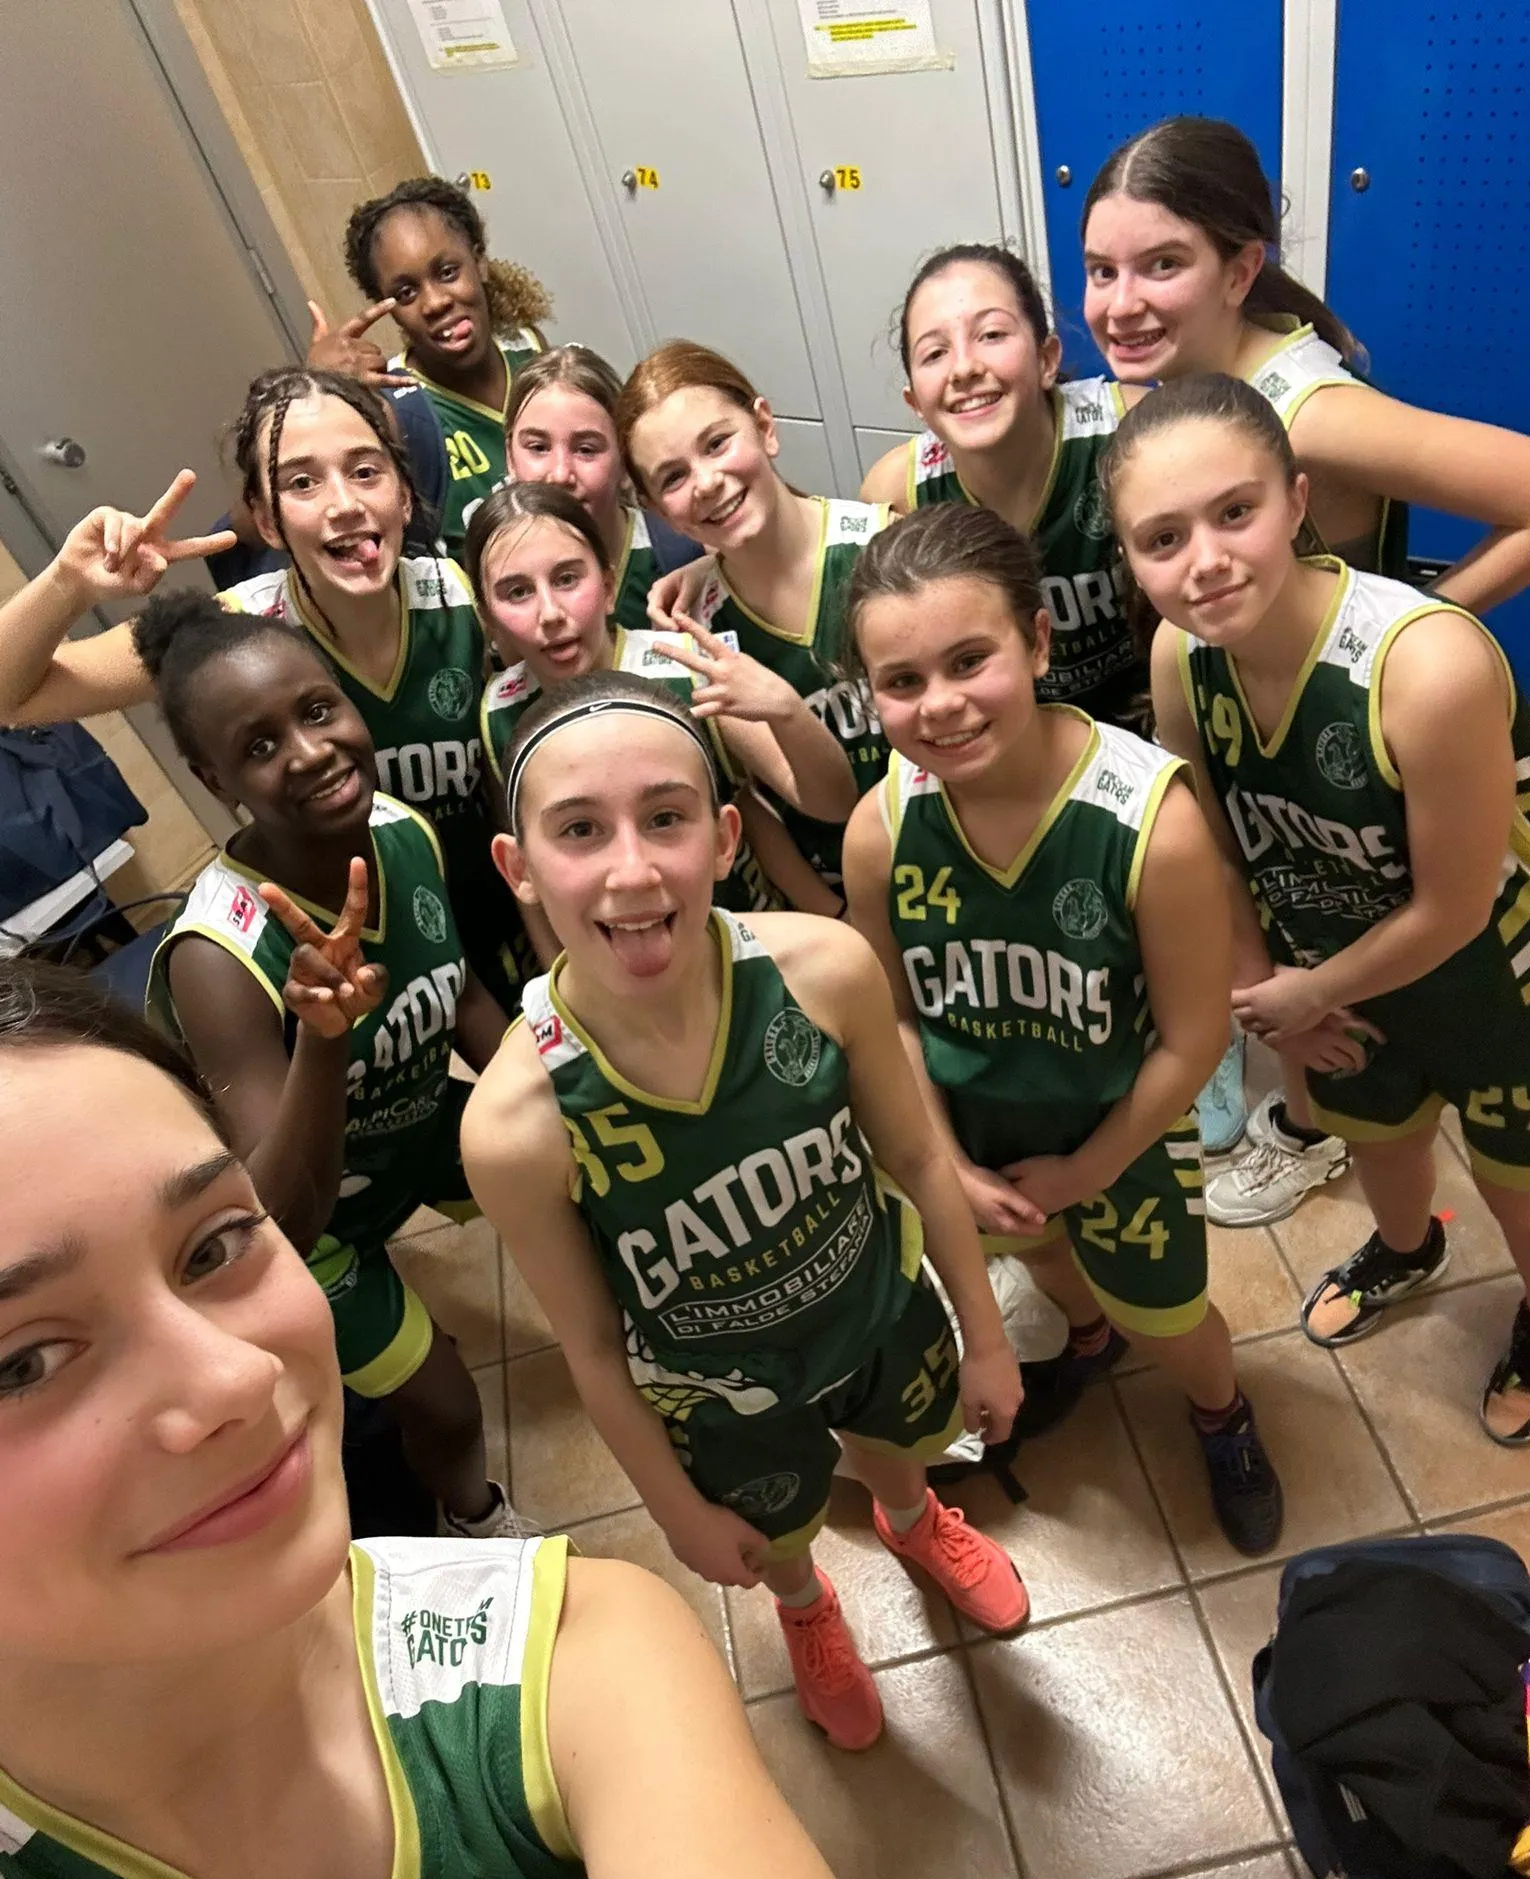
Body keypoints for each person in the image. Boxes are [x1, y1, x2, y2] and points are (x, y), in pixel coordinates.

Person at [0, 957, 918, 1879]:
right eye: (21, 1363)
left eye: (215, 1245)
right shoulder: (219, 958)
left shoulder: (578, 1651)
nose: (235, 1377)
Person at [462, 673, 1030, 1754]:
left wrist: (989, 1334)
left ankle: (915, 1520)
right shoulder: (513, 1125)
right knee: (776, 1532)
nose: (633, 869)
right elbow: (591, 1345)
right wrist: (674, 1509)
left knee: (898, 1443)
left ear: (725, 838)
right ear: (518, 867)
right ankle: (808, 1607)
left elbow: (917, 1155)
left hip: (873, 1309)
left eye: (665, 817)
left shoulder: (826, 967)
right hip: (716, 1396)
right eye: (580, 829)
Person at [1082, 115, 1530, 1216]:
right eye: (1099, 270)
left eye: (1161, 265)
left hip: (1396, 764)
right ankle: (1336, 1132)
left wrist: (1412, 627)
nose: (1120, 302)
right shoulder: (1186, 378)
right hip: (1302, 790)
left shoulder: (1310, 414)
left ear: (1241, 270)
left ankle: (1319, 1135)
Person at [840, 501, 1283, 1554]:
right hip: (976, 1133)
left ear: (1038, 641)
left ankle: (1221, 1410)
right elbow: (890, 1013)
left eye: (969, 660)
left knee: (1171, 1315)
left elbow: (1193, 1039)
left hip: (1120, 1131)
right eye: (902, 681)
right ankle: (1086, 1333)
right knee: (1045, 1257)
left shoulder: (1150, 820)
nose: (941, 705)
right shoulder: (880, 828)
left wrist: (1090, 1167)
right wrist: (945, 1162)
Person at [1103, 372, 1530, 1442]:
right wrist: (1269, 992)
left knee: (1518, 1179)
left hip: (1498, 968)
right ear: (1130, 556)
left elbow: (1456, 905)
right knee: (1378, 1134)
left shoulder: (1425, 662)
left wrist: (1307, 991)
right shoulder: (1179, 654)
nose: (1206, 560)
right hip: (1334, 958)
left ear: (1297, 500)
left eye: (1234, 512)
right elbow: (1220, 843)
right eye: (1163, 538)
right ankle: (1407, 1248)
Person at [135, 589, 525, 1538]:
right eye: (261, 746)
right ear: (215, 779)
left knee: (573, 1177)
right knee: (448, 1409)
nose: (310, 752)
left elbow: (464, 995)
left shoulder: (400, 828)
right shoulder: (217, 957)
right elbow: (275, 1213)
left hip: (411, 1132)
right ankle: (476, 1524)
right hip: (311, 1220)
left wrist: (556, 1103)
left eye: (317, 710)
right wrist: (323, 1034)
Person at [0, 372, 528, 1013]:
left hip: (489, 910)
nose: (343, 504)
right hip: (343, 958)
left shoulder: (462, 596)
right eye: (302, 482)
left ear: (405, 497)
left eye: (365, 472)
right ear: (268, 521)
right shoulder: (232, 639)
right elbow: (12, 698)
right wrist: (68, 583)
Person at [466, 479, 851, 914]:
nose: (550, 613)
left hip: (740, 926)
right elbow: (531, 875)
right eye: (517, 592)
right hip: (613, 941)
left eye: (568, 579)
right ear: (489, 618)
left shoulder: (686, 668)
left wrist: (787, 709)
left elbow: (831, 802)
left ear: (608, 587)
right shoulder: (500, 710)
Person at [620, 342, 890, 892]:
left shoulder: (885, 547)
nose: (706, 482)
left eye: (717, 444)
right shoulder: (698, 632)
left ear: (765, 427)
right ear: (656, 510)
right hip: (839, 887)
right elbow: (814, 801)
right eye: (673, 478)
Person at [861, 242, 1148, 733]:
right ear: (915, 404)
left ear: (1046, 359)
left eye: (991, 334)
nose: (964, 369)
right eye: (934, 353)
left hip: (1150, 720)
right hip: (1008, 738)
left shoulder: (1133, 431)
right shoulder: (898, 491)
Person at [318, 175, 553, 558]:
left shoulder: (527, 347)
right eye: (406, 292)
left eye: (447, 273)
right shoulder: (396, 405)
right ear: (387, 307)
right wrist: (316, 391)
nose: (435, 303)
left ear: (479, 263)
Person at [504, 344, 702, 628]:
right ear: (510, 457)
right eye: (538, 447)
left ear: (625, 461)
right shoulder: (499, 574)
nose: (560, 474)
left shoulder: (682, 555)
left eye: (586, 450)